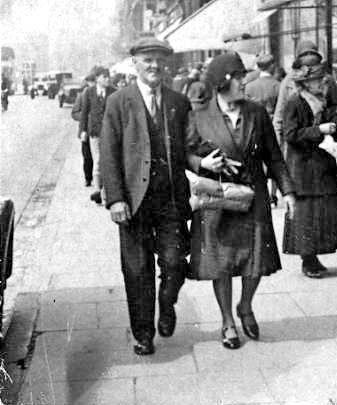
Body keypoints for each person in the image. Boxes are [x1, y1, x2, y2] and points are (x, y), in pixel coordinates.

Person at [185, 53, 296, 349]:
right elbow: (185, 153)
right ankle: (227, 321)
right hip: (218, 198)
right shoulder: (199, 115)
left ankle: (245, 306)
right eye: (237, 78)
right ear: (222, 83)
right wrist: (203, 163)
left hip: (253, 195)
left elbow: (273, 155)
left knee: (255, 261)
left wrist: (288, 191)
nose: (243, 82)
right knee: (221, 263)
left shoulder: (256, 113)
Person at [101, 37, 192, 355]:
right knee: (137, 270)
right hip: (134, 201)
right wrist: (115, 198)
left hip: (170, 200)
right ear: (134, 64)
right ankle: (143, 334)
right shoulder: (119, 101)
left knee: (175, 262)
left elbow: (189, 147)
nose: (154, 66)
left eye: (159, 60)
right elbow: (108, 153)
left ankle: (167, 305)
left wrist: (203, 162)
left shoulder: (178, 102)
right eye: (147, 60)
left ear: (166, 64)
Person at [282, 63, 337, 278]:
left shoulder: (323, 101)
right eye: (318, 80)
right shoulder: (295, 102)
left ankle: (313, 257)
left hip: (320, 165)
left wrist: (336, 127)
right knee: (306, 215)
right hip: (303, 167)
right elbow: (290, 134)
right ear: (307, 83)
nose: (323, 83)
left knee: (320, 213)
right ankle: (307, 259)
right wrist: (318, 130)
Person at [273, 40, 323, 153]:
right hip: (297, 147)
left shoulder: (326, 80)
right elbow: (279, 117)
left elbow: (334, 107)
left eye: (311, 56)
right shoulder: (288, 82)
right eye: (305, 56)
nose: (308, 59)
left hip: (322, 146)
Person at [245, 54, 281, 205]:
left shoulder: (250, 86)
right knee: (273, 156)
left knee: (258, 159)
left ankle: (259, 191)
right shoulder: (277, 85)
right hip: (273, 125)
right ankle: (273, 194)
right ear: (272, 66)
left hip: (253, 128)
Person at [80, 66, 116, 204]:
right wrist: (83, 131)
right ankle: (98, 191)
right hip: (94, 133)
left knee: (109, 161)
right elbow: (84, 113)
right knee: (99, 160)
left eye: (108, 76)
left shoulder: (114, 92)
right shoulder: (88, 92)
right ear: (97, 79)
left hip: (110, 132)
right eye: (104, 77)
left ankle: (104, 192)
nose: (107, 79)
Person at [71, 73, 96, 186]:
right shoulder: (81, 96)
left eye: (94, 82)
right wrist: (86, 115)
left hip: (98, 130)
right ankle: (88, 178)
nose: (92, 85)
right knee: (87, 156)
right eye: (91, 82)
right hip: (85, 130)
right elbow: (74, 113)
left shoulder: (100, 95)